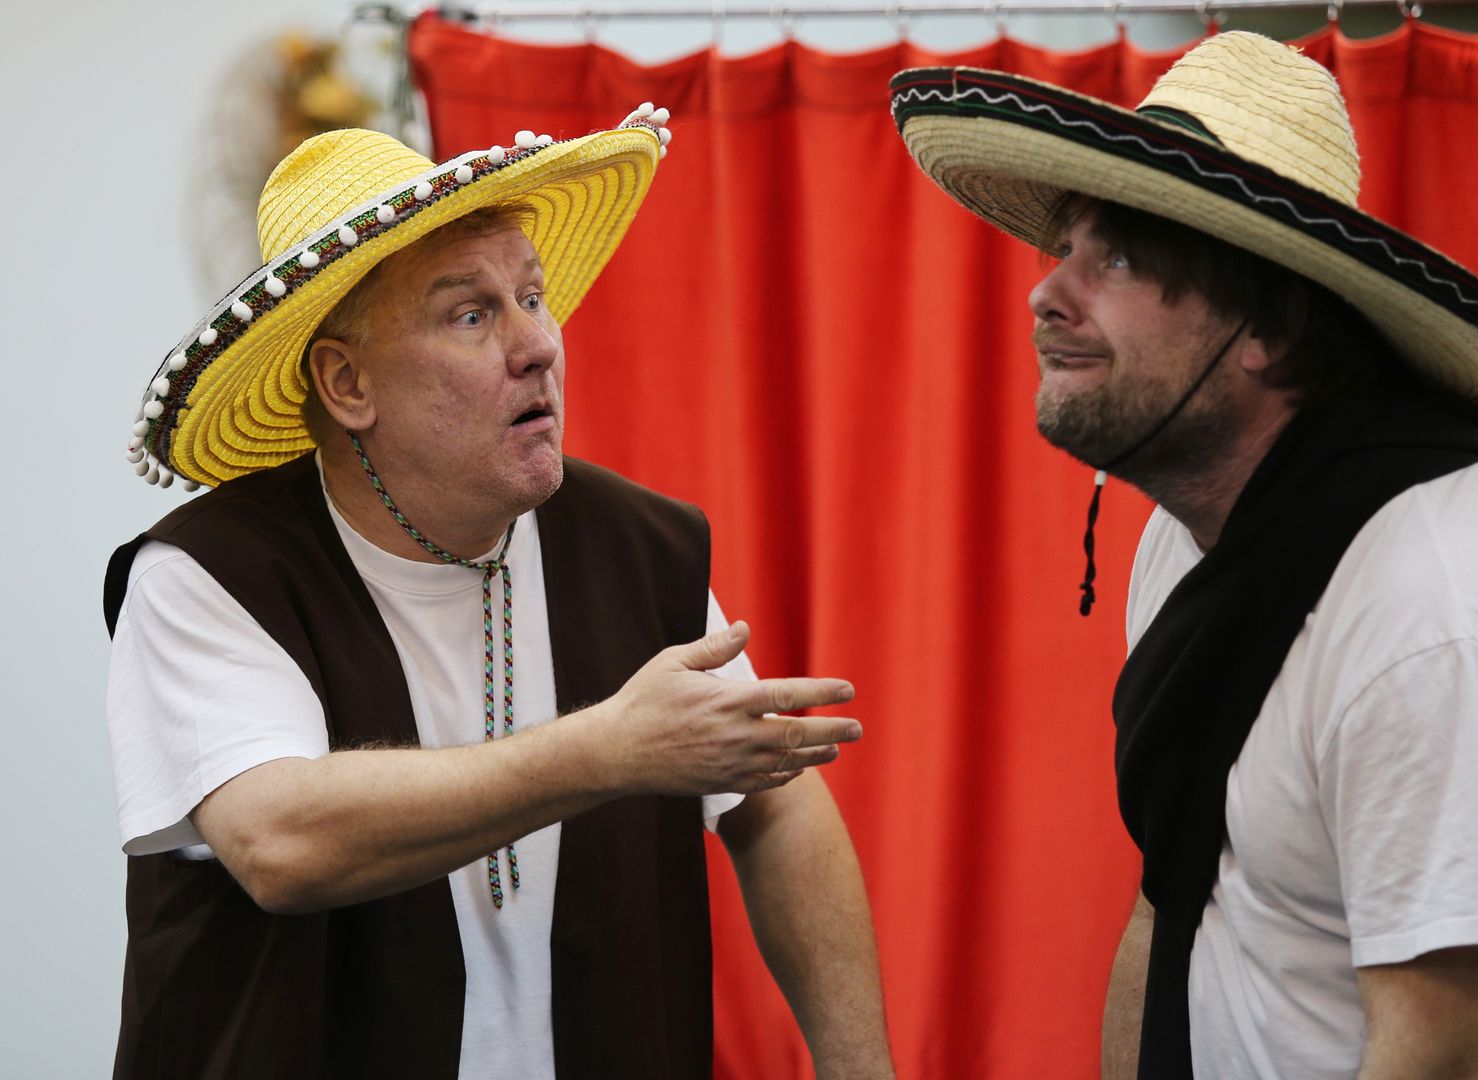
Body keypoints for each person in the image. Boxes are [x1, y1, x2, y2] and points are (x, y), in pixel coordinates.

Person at [105, 105, 893, 1080]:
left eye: (533, 296)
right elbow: (279, 841)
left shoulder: (634, 545)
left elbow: (775, 803)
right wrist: (604, 751)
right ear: (347, 384)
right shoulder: (210, 573)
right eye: (471, 315)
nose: (538, 346)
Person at [892, 31, 1478, 1080]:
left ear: (1268, 328)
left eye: (1121, 258)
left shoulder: (1440, 619)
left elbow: (1448, 1062)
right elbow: (1175, 896)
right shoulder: (1193, 537)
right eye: (1070, 248)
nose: (1046, 294)